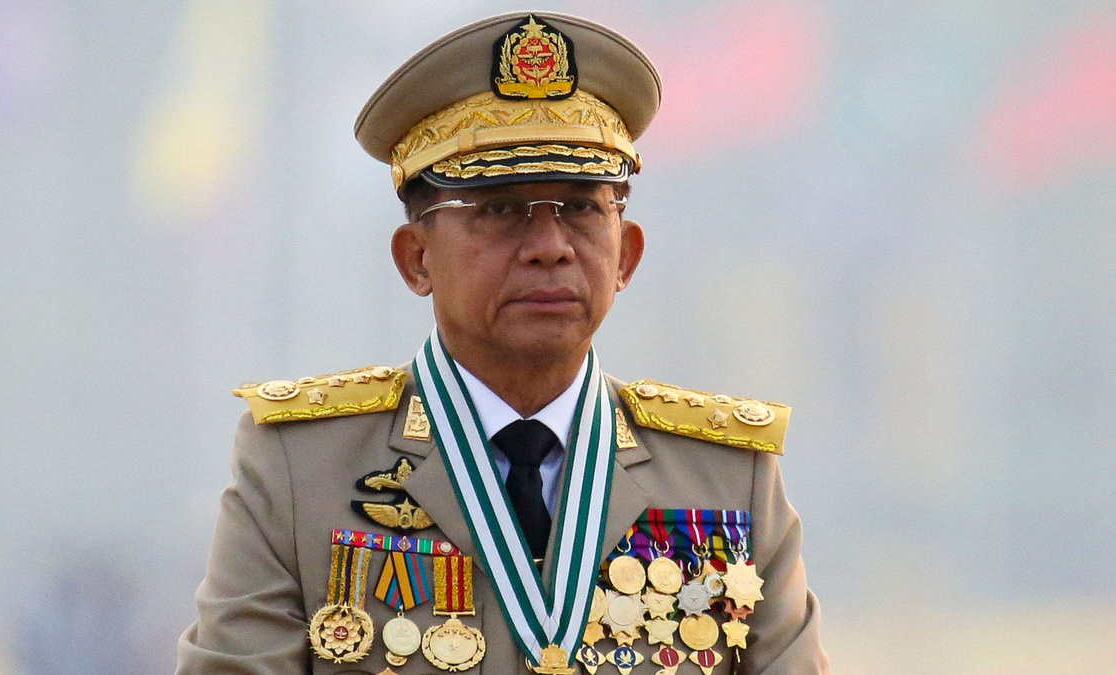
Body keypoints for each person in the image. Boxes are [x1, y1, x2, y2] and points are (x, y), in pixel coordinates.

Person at [178, 11, 829, 675]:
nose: (549, 247)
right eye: (498, 209)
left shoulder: (726, 477)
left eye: (580, 207)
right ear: (416, 257)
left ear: (626, 253)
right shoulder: (299, 470)